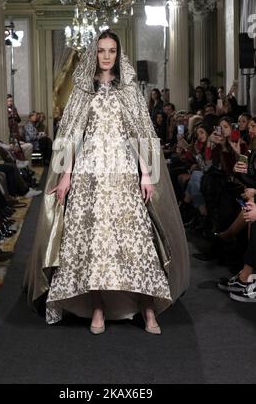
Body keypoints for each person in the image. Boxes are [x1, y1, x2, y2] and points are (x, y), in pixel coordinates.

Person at [24, 30, 189, 334]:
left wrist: (147, 174)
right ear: (95, 53)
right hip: (89, 172)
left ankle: (147, 307)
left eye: (112, 50)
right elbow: (72, 136)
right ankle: (97, 307)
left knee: (136, 240)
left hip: (123, 170)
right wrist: (65, 176)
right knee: (93, 240)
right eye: (102, 50)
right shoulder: (82, 91)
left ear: (118, 53)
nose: (107, 55)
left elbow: (139, 135)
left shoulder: (129, 90)